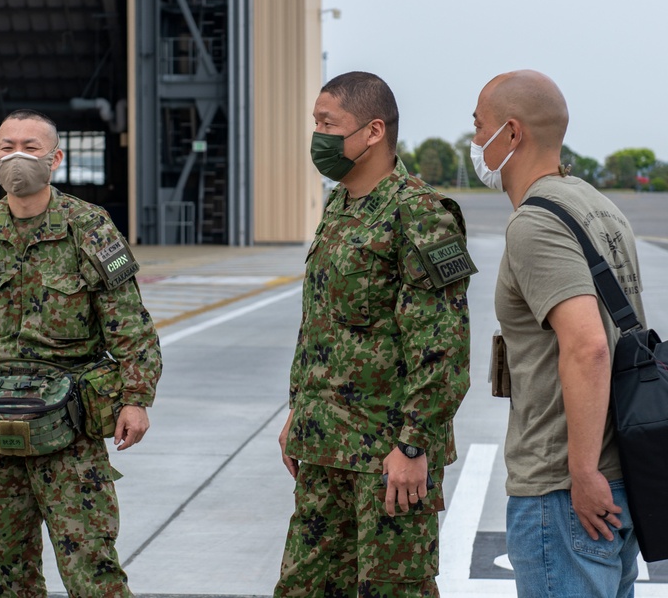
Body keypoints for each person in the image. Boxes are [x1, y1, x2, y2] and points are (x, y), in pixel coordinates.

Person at [0, 109, 162, 597]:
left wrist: (137, 397)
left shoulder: (90, 227)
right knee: (9, 573)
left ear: (56, 158)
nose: (17, 156)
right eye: (6, 145)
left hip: (70, 429)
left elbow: (130, 324)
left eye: (30, 147)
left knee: (93, 570)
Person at [274, 71, 473, 598]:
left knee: (393, 590)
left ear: (373, 131)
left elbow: (442, 349)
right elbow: (319, 324)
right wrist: (299, 410)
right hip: (324, 445)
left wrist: (412, 447)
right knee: (302, 587)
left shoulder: (420, 213)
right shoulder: (339, 206)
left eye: (327, 123)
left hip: (386, 460)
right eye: (315, 121)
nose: (317, 134)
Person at [472, 70, 644, 597]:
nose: (476, 143)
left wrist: (582, 472)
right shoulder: (597, 206)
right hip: (618, 476)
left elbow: (588, 346)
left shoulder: (536, 224)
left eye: (480, 128)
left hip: (563, 491)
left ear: (512, 133)